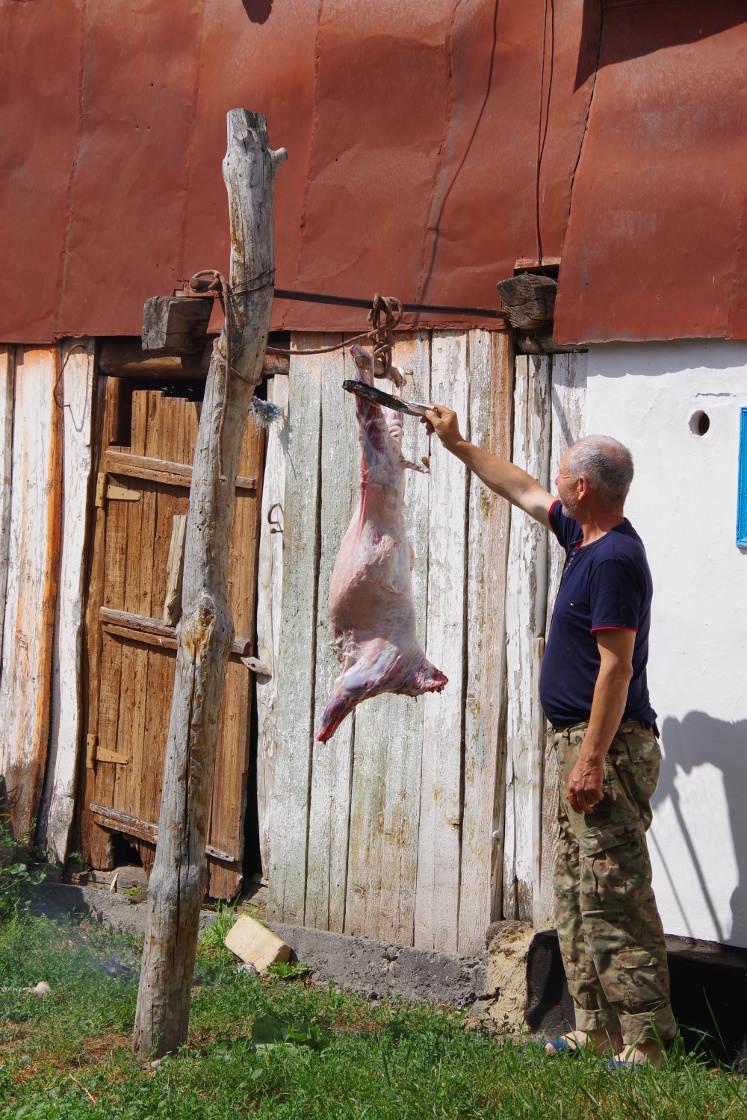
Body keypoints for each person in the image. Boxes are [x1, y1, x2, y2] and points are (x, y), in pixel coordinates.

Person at [422, 404, 675, 1068]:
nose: (552, 484)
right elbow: (519, 488)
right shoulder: (583, 538)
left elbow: (616, 669)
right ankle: (595, 1028)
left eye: (562, 476)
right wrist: (455, 444)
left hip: (606, 749)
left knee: (612, 889)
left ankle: (644, 1042)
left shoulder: (614, 559)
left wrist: (591, 758)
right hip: (574, 744)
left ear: (584, 487)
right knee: (573, 890)